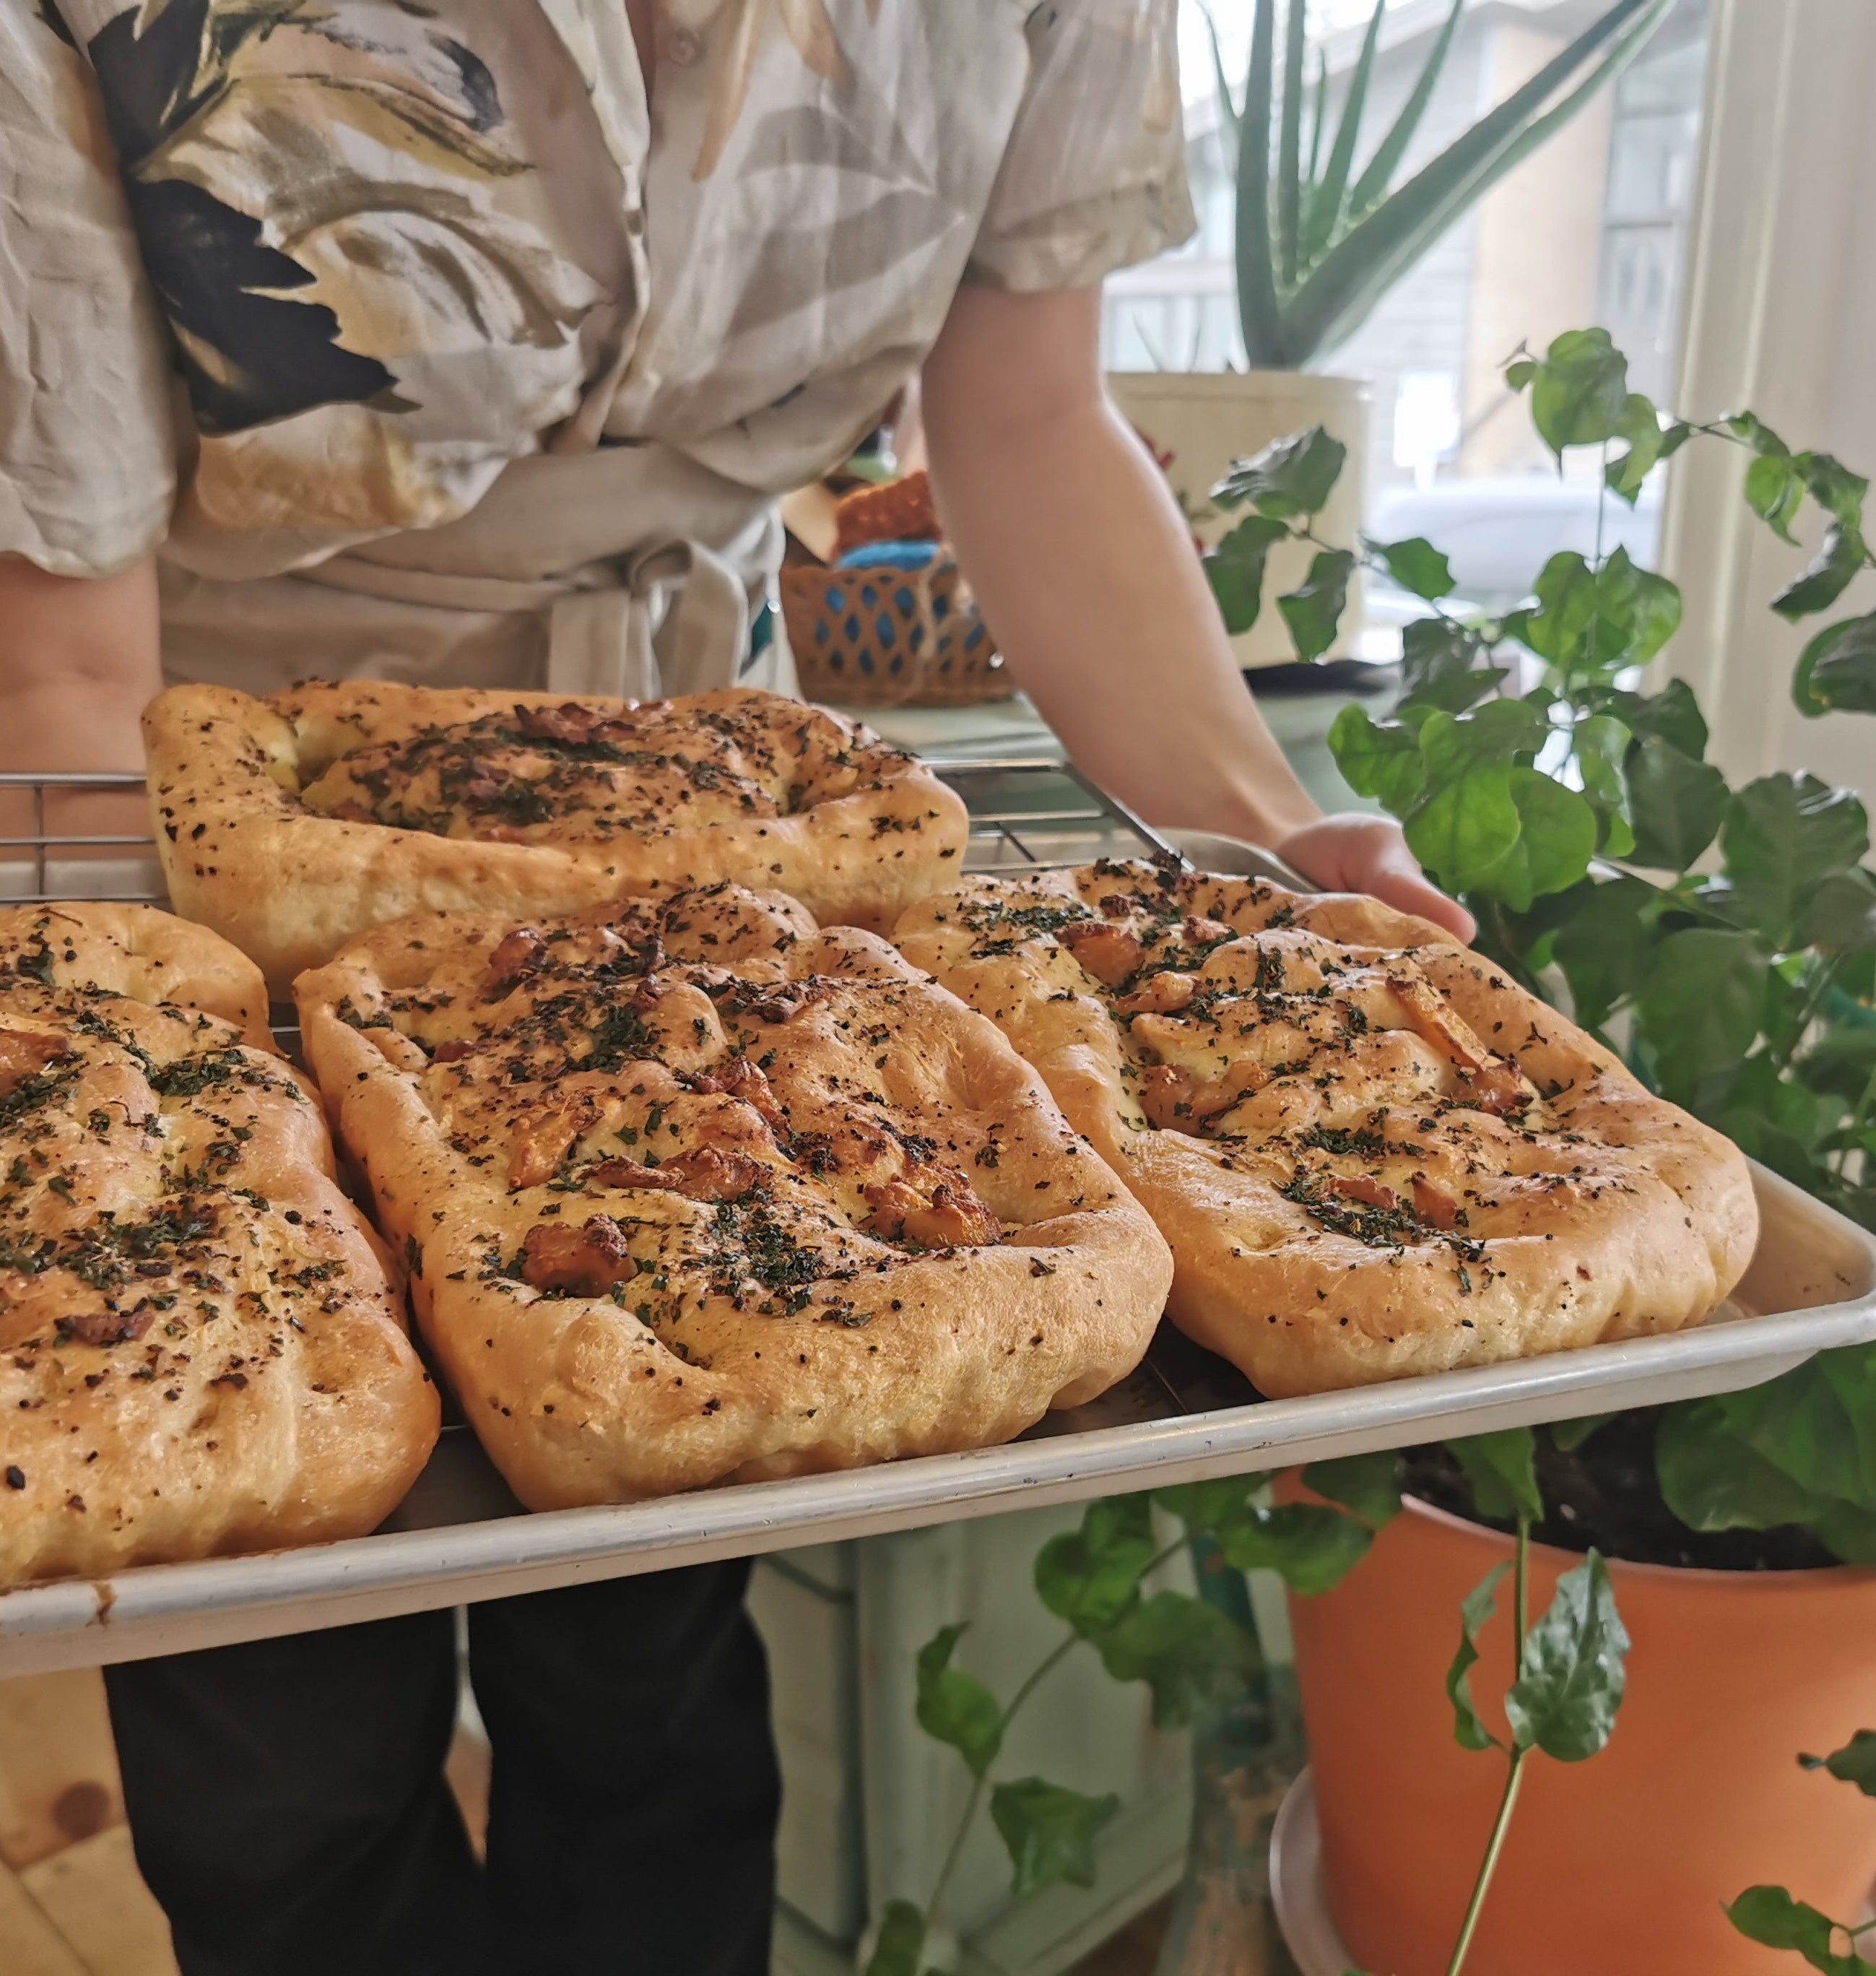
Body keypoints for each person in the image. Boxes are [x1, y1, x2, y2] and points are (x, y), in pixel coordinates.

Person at [0, 4, 1474, 1972]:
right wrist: (118, 1056)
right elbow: (66, 654)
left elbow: (1027, 419)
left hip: (725, 839)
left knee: (655, 1672)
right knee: (284, 1739)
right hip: (241, 801)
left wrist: (1265, 839)